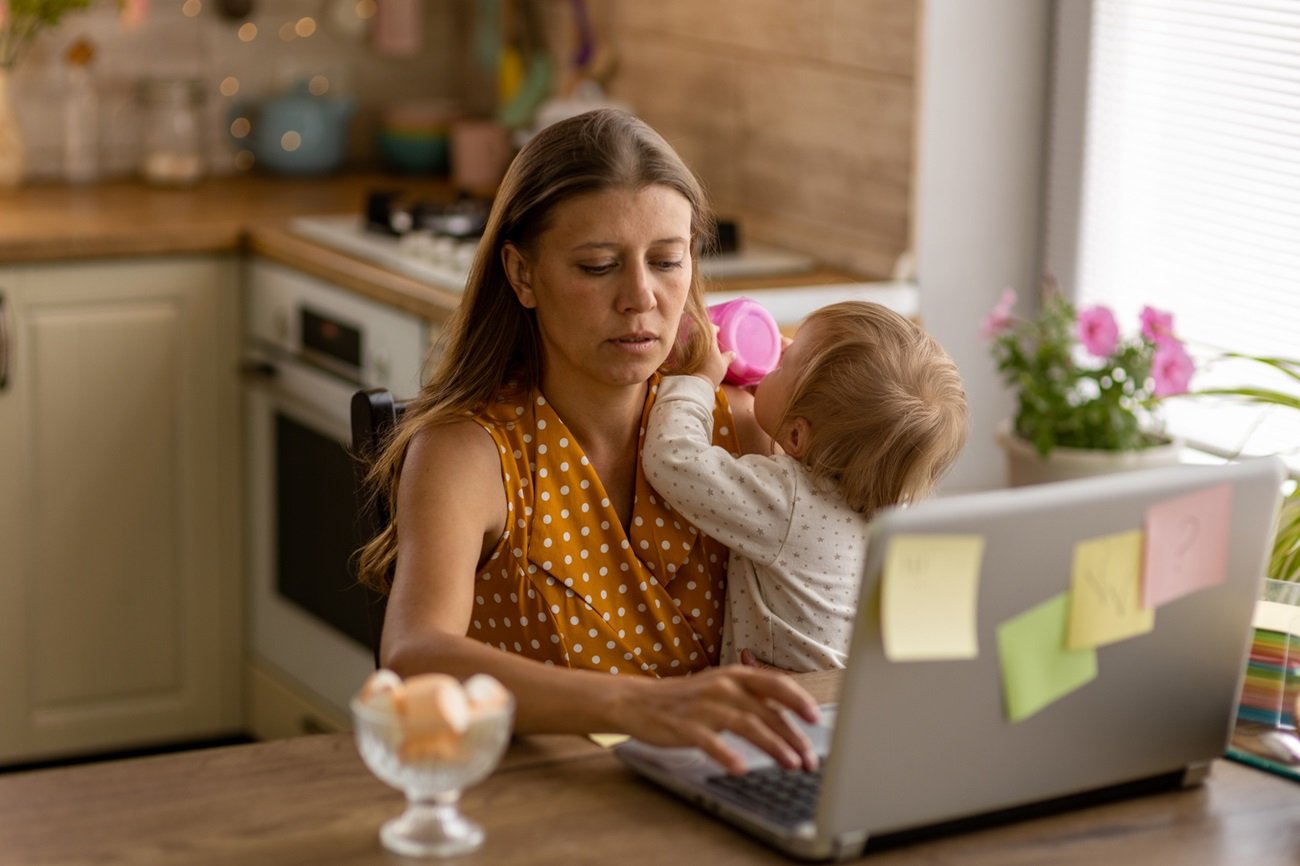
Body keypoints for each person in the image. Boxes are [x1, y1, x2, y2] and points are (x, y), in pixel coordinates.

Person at [356, 108, 818, 774]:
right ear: (522, 275)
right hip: (541, 801)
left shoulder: (741, 428)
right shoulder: (467, 452)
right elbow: (415, 652)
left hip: (727, 783)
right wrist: (635, 707)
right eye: (598, 266)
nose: (640, 297)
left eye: (667, 260)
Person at [642, 301, 968, 672]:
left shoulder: (788, 499)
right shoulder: (900, 510)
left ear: (796, 435)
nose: (777, 345)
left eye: (784, 362)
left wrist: (697, 381)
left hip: (795, 707)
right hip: (853, 694)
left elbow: (672, 457)